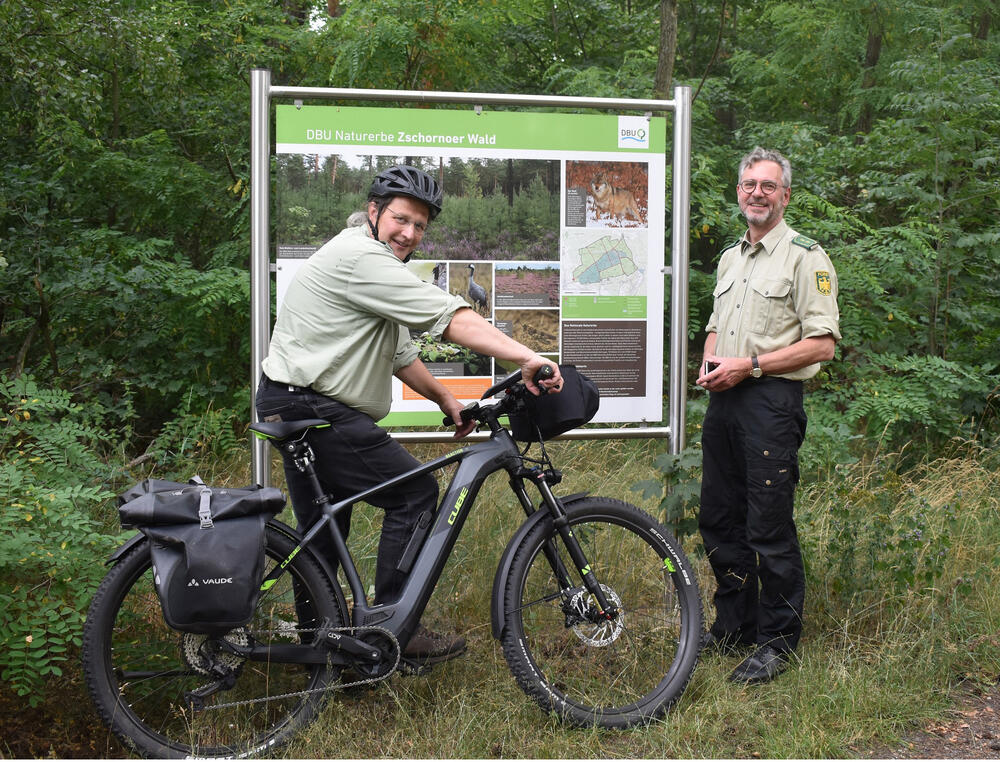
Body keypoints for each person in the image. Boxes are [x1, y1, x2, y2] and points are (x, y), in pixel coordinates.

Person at [255, 165, 562, 665]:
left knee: (323, 533)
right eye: (401, 219)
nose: (409, 233)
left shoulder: (373, 264)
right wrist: (527, 357)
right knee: (416, 495)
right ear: (374, 212)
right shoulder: (360, 258)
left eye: (420, 225)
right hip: (312, 406)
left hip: (295, 401)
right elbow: (449, 317)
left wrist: (446, 400)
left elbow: (399, 354)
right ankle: (395, 625)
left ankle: (329, 651)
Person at [695, 147, 841, 684]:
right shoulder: (732, 258)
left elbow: (822, 344)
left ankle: (776, 642)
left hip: (770, 403)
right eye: (749, 184)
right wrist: (712, 359)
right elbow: (715, 321)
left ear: (784, 194)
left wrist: (749, 365)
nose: (757, 193)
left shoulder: (806, 257)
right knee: (718, 517)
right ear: (739, 192)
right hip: (724, 398)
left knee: (768, 526)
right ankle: (734, 625)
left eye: (768, 185)